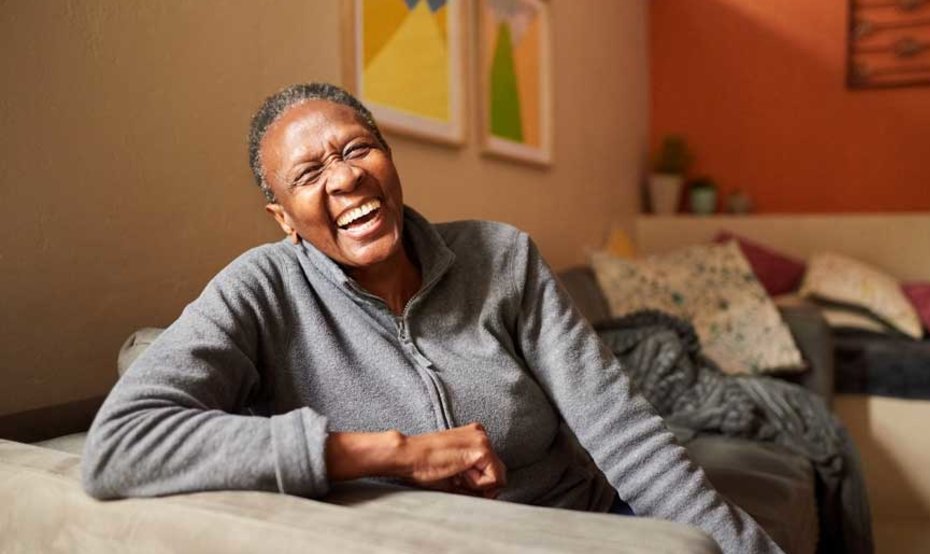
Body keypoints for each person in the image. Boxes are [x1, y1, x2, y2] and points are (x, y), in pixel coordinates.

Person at [82, 83, 781, 553]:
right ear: (283, 219)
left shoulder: (502, 256)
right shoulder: (261, 289)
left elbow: (627, 438)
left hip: (582, 528)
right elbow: (119, 446)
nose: (347, 178)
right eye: (309, 174)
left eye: (358, 149)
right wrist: (388, 453)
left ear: (388, 159)